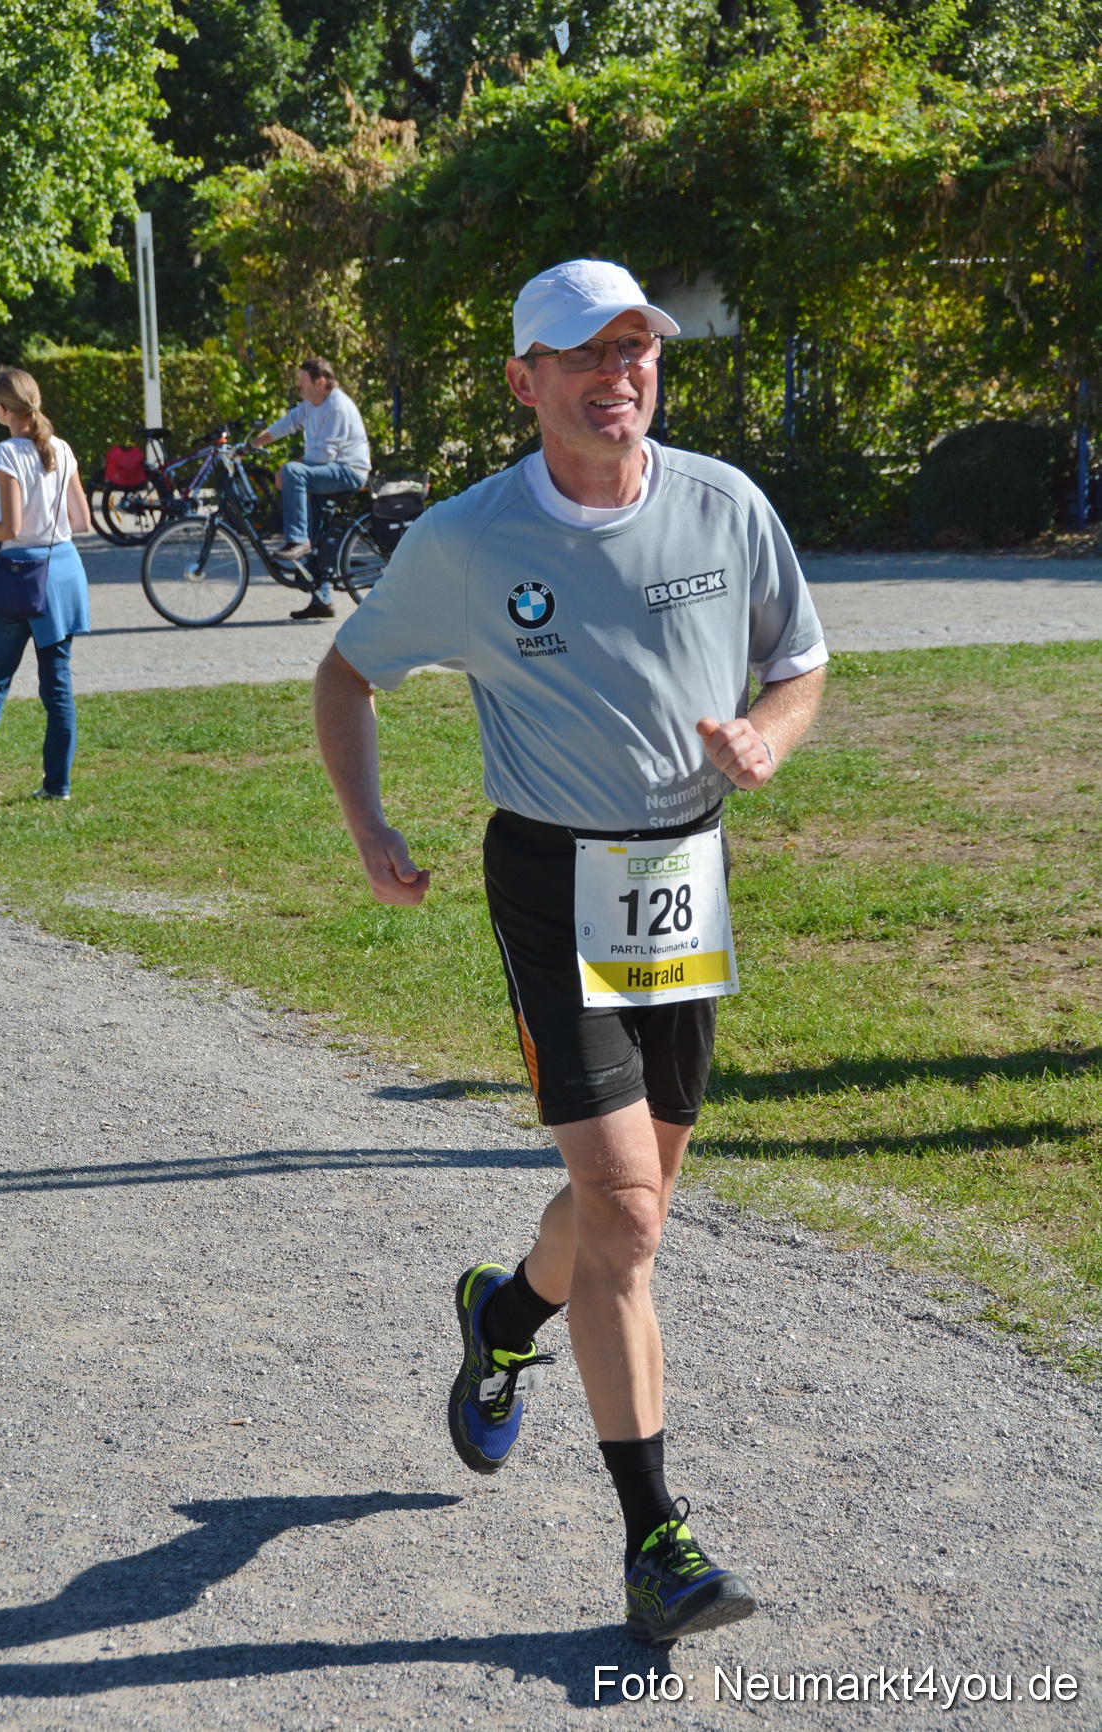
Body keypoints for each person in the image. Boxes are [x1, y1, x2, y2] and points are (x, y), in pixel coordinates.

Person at [312, 259, 828, 1642]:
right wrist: (370, 829)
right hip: (550, 876)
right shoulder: (472, 542)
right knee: (631, 1216)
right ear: (523, 382)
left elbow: (799, 660)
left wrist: (764, 739)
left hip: (682, 872)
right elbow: (346, 672)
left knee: (623, 1212)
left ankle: (501, 1315)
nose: (620, 376)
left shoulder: (724, 503)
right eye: (584, 356)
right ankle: (654, 1539)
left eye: (636, 350)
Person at [0, 368, 91, 806]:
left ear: (3, 408)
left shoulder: (6, 452)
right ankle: (57, 786)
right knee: (58, 687)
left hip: (22, 577)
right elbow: (81, 521)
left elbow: (11, 526)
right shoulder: (62, 448)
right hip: (64, 571)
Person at [251, 356, 371, 620]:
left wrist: (289, 467)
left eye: (302, 381)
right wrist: (253, 444)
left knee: (294, 472)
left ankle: (297, 540)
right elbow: (287, 423)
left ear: (321, 382)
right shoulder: (311, 404)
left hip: (348, 472)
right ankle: (322, 599)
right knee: (319, 532)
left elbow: (325, 456)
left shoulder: (337, 406)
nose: (298, 386)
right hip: (327, 472)